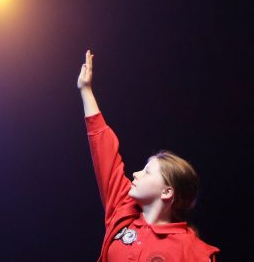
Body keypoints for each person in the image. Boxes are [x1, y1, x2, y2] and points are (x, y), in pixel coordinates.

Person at [77, 50, 219, 261]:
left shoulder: (193, 251)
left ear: (167, 192)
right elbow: (104, 150)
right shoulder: (123, 209)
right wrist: (86, 90)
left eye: (147, 171)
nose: (136, 174)